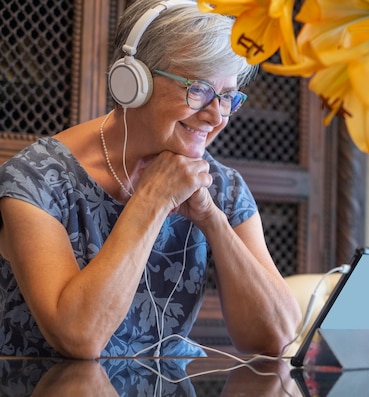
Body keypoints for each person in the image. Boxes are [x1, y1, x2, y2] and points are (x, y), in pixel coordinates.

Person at [0, 0, 302, 359]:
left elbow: (279, 338)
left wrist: (213, 221)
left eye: (227, 97)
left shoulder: (222, 187)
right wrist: (152, 201)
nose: (215, 116)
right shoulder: (36, 180)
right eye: (199, 90)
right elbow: (79, 336)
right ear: (133, 81)